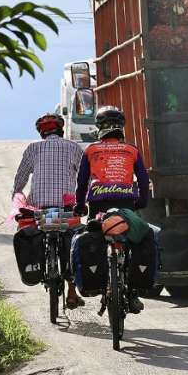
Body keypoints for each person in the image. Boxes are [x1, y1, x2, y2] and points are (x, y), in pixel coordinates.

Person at [75, 106, 151, 312]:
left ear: (99, 128)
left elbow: (81, 183)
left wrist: (79, 205)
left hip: (98, 205)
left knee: (97, 241)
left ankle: (100, 282)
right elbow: (144, 181)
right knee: (135, 240)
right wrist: (142, 202)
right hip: (126, 204)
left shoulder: (91, 150)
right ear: (121, 129)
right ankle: (133, 293)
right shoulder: (132, 150)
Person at [12, 113, 86, 309]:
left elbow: (21, 178)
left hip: (40, 208)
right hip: (65, 208)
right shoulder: (73, 147)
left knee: (36, 232)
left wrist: (17, 192)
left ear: (41, 132)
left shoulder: (33, 148)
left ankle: (42, 263)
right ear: (60, 130)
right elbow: (84, 176)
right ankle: (72, 290)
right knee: (72, 241)